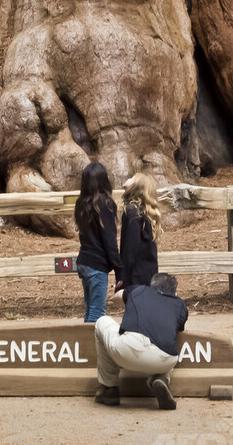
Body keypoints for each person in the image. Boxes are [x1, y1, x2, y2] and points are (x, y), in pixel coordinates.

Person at [93, 273, 188, 410]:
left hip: (129, 350)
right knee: (168, 338)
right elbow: (178, 328)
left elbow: (117, 297)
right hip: (165, 360)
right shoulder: (180, 304)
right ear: (175, 292)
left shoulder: (139, 290)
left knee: (102, 321)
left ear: (151, 285)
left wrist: (129, 302)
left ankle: (109, 389)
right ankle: (161, 379)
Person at [74, 162, 124, 323]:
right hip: (96, 266)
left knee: (90, 310)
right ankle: (91, 348)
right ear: (104, 180)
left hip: (84, 262)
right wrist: (119, 270)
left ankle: (86, 345)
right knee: (97, 315)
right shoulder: (105, 204)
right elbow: (109, 241)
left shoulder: (81, 203)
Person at [118, 173, 161, 290]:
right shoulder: (142, 212)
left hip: (136, 277)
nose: (128, 178)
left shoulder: (132, 212)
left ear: (136, 186)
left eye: (132, 178)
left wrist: (122, 278)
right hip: (149, 274)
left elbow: (130, 250)